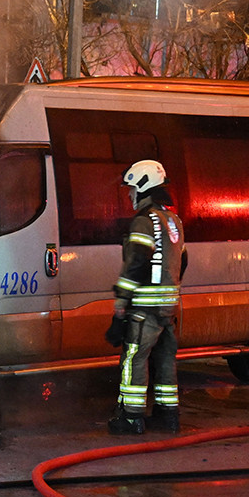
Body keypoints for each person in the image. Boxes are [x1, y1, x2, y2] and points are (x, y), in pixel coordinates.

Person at [108, 159, 187, 435]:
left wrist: (122, 297)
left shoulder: (143, 221)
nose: (129, 195)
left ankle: (131, 417)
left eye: (131, 189)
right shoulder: (172, 220)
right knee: (165, 359)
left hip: (145, 307)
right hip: (169, 306)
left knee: (134, 357)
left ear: (143, 186)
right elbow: (182, 262)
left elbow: (137, 261)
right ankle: (168, 416)